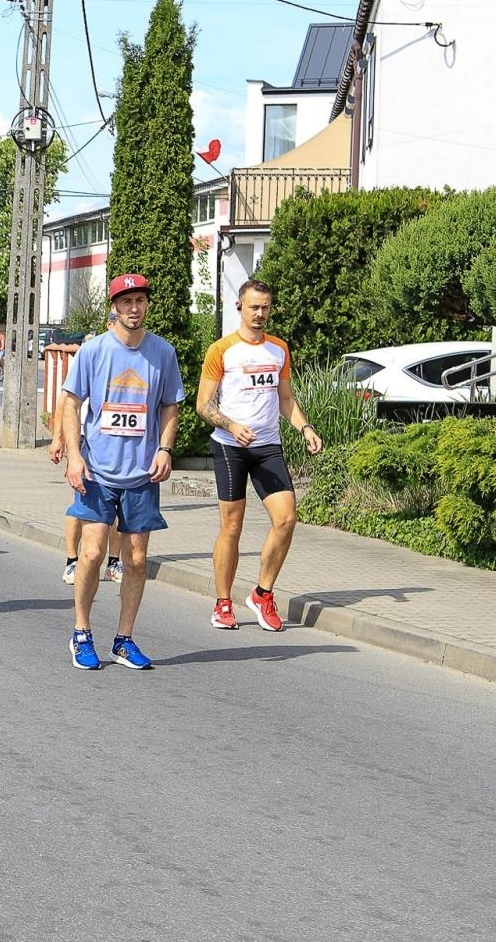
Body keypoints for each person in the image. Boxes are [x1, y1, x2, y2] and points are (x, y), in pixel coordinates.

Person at [58, 273, 185, 671]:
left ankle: (124, 640)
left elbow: (170, 405)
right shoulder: (94, 351)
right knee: (93, 552)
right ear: (114, 306)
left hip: (142, 474)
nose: (134, 308)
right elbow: (70, 403)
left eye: (140, 301)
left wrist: (165, 449)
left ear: (147, 305)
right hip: (97, 470)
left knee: (136, 559)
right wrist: (74, 456)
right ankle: (81, 633)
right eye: (126, 301)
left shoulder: (162, 352)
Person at [197, 279, 323, 631]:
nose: (259, 313)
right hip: (230, 446)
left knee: (286, 519)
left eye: (265, 307)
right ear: (240, 307)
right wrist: (232, 425)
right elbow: (203, 405)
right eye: (253, 307)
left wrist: (305, 428)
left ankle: (262, 594)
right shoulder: (221, 350)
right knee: (232, 526)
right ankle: (223, 602)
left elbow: (286, 399)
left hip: (267, 446)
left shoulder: (278, 349)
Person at [49, 434, 122, 584]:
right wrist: (58, 438)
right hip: (83, 439)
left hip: (114, 440)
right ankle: (72, 561)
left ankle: (113, 562)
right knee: (80, 505)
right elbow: (64, 416)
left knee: (116, 506)